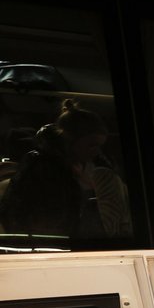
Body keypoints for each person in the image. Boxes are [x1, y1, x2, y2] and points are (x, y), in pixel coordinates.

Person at [0, 99, 128, 239]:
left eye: (99, 146)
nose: (97, 152)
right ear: (70, 139)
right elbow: (47, 221)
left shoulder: (87, 163)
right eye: (92, 145)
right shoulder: (44, 168)